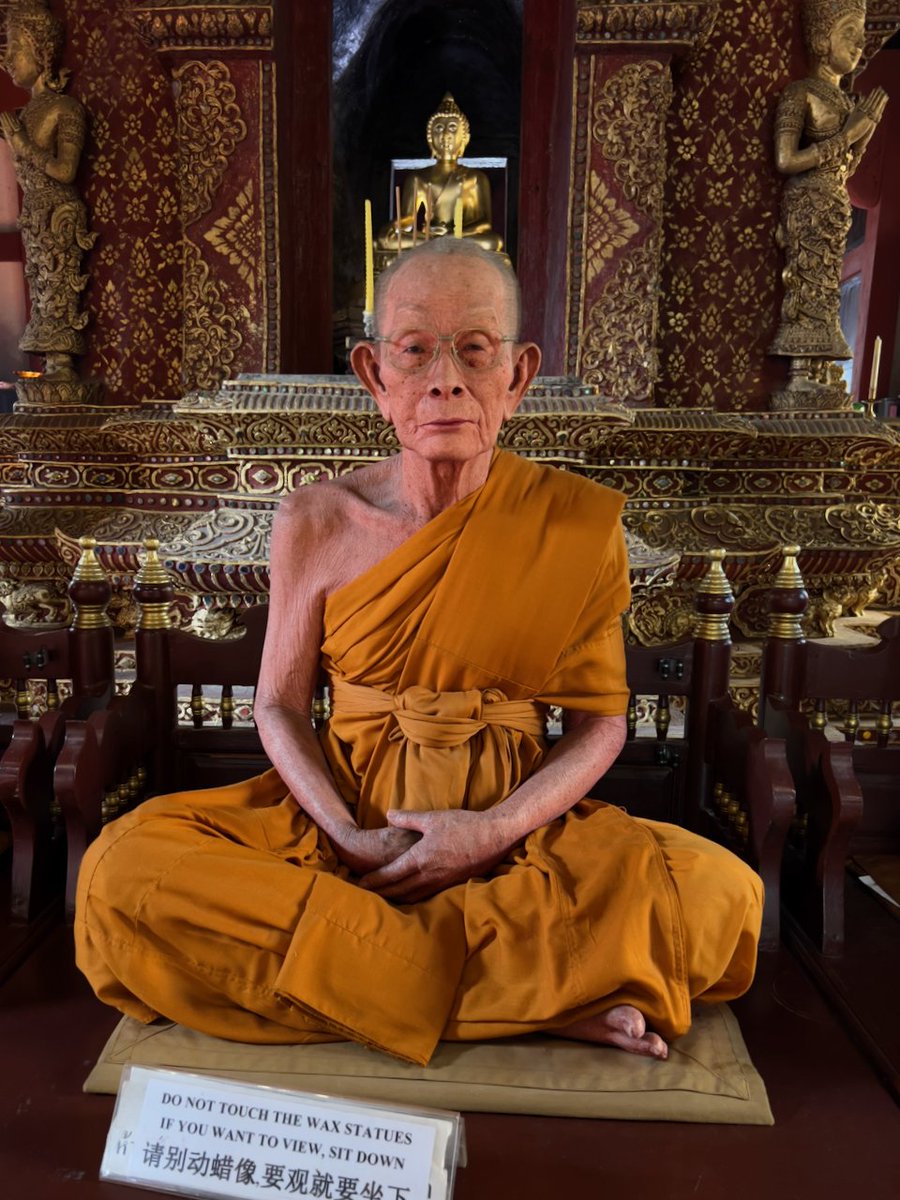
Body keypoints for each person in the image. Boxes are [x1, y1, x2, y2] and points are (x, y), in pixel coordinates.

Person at [76, 239, 762, 1066]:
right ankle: (531, 1000)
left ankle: (378, 980)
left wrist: (493, 831)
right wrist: (343, 830)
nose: (446, 379)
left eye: (475, 350)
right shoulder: (317, 519)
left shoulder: (573, 523)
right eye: (415, 351)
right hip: (339, 838)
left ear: (518, 377)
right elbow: (280, 706)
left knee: (722, 897)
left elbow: (600, 726)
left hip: (512, 840)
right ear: (375, 376)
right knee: (120, 874)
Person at [769, 0, 887, 368]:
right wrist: (849, 132)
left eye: (862, 38)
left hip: (836, 203)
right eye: (849, 35)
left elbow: (846, 168)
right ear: (822, 38)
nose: (858, 46)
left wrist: (864, 133)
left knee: (826, 290)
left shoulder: (845, 98)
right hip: (807, 202)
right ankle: (801, 367)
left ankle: (820, 369)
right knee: (808, 285)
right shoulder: (800, 93)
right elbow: (786, 160)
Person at [0, 0, 95, 382]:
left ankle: (61, 365)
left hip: (59, 213)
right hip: (34, 215)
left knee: (56, 286)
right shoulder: (21, 115)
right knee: (39, 286)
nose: (7, 60)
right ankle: (45, 366)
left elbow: (65, 169)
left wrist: (21, 143)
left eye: (15, 49)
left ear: (41, 51)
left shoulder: (65, 109)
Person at [376, 93, 503, 252]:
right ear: (430, 138)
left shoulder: (476, 178)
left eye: (452, 128)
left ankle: (441, 244)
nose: (445, 135)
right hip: (430, 236)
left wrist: (452, 235)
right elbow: (408, 219)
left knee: (493, 241)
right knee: (386, 240)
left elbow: (484, 223)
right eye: (439, 128)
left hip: (459, 237)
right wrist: (392, 226)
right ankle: (438, 244)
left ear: (465, 138)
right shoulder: (417, 178)